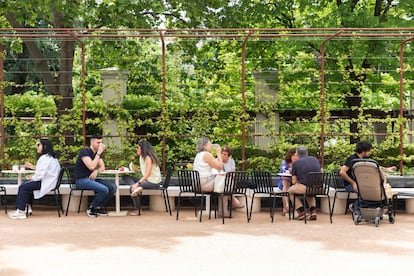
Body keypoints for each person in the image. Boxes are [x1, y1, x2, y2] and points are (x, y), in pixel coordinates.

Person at [9, 139, 61, 219]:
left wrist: (32, 177)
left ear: (44, 146)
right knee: (27, 185)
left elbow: (40, 175)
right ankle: (27, 208)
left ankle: (21, 211)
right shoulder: (52, 157)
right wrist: (32, 169)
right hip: (51, 181)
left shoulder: (44, 158)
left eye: (38, 145)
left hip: (46, 182)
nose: (37, 147)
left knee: (23, 187)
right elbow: (45, 171)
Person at [339, 140, 396, 212]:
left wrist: (387, 169)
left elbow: (375, 166)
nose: (370, 152)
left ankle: (373, 209)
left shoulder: (365, 159)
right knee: (367, 192)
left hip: (363, 184)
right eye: (369, 151)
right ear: (364, 151)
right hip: (351, 184)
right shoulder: (352, 159)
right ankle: (354, 206)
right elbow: (342, 172)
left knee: (376, 191)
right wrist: (353, 183)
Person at [74, 135, 116, 217]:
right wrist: (99, 153)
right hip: (81, 180)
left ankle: (99, 207)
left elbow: (102, 167)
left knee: (112, 187)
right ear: (92, 142)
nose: (100, 145)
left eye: (101, 142)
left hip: (91, 179)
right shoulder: (85, 152)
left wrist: (96, 171)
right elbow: (91, 166)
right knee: (104, 189)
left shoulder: (96, 154)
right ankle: (91, 208)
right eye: (98, 142)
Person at [122, 141, 162, 216]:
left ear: (142, 149)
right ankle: (136, 188)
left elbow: (148, 174)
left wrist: (138, 183)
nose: (136, 149)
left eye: (138, 148)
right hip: (147, 180)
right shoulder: (142, 157)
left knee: (131, 189)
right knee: (125, 177)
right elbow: (144, 171)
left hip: (154, 182)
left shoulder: (148, 158)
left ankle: (138, 210)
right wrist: (136, 170)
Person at [288, 146, 322, 220]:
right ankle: (313, 211)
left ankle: (301, 211)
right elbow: (322, 172)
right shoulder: (315, 159)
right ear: (307, 153)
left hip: (306, 188)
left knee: (290, 191)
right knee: (310, 191)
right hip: (320, 188)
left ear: (297, 154)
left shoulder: (296, 163)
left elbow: (293, 181)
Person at [278, 147, 297, 215]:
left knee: (293, 185)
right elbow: (283, 173)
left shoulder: (299, 163)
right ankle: (286, 207)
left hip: (295, 182)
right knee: (285, 182)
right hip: (284, 182)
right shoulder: (285, 162)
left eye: (296, 155)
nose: (295, 157)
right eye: (293, 155)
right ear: (290, 155)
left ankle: (297, 208)